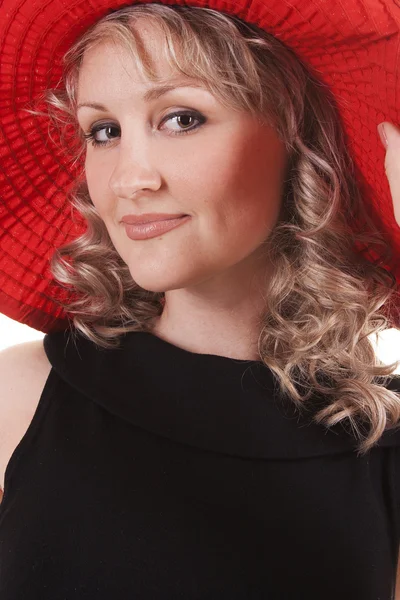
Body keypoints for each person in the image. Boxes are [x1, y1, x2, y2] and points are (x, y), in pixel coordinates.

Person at [1, 0, 400, 598]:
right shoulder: (17, 400)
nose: (130, 179)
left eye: (181, 119)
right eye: (103, 131)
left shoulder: (382, 444)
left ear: (297, 141)